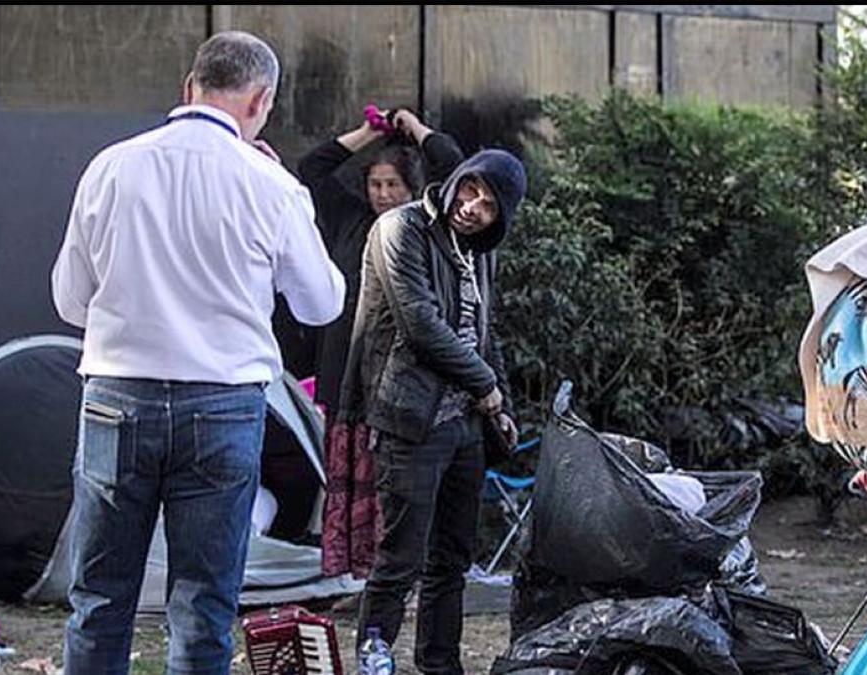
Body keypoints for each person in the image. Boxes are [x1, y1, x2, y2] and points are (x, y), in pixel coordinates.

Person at [50, 31, 344, 675]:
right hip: (222, 406)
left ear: (190, 85)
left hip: (116, 399)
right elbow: (321, 304)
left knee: (99, 600)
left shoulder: (110, 166)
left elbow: (71, 303)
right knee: (204, 606)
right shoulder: (270, 185)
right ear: (260, 100)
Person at [337, 149, 526, 674]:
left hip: (465, 425)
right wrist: (486, 386)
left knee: (452, 562)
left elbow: (486, 337)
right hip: (409, 417)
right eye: (471, 190)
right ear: (458, 181)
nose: (472, 206)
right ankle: (375, 665)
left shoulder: (479, 251)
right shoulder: (402, 229)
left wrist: (501, 405)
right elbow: (420, 325)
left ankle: (440, 666)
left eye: (488, 205)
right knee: (399, 560)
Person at [298, 109, 464, 413]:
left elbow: (451, 162)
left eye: (393, 184)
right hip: (343, 362)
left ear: (411, 187)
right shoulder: (350, 219)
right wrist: (368, 133)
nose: (383, 194)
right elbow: (312, 168)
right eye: (376, 184)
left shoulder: (426, 225)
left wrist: (414, 126)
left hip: (399, 372)